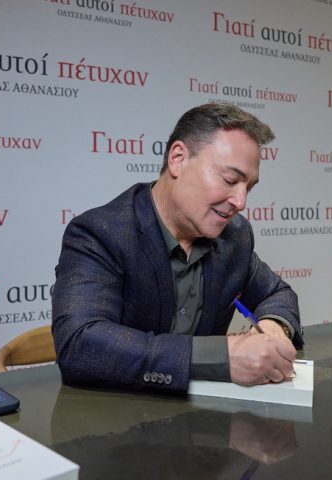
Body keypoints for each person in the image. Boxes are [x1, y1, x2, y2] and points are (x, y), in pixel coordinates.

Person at [52, 103, 303, 393]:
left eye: (249, 187)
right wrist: (221, 357)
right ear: (178, 159)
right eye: (230, 180)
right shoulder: (100, 233)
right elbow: (80, 344)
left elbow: (277, 294)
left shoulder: (235, 236)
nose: (241, 201)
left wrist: (273, 328)